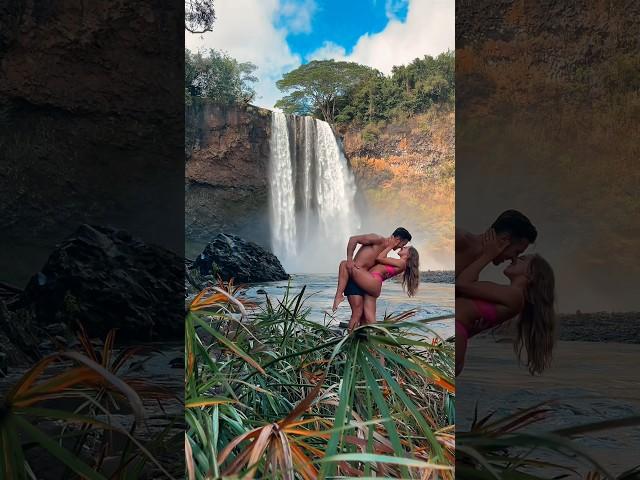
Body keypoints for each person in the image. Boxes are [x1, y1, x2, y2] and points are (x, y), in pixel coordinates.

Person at [455, 230, 556, 376]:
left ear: (531, 274)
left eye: (522, 259)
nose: (513, 259)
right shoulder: (508, 295)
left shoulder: (514, 296)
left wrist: (488, 255)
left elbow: (462, 284)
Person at [332, 228, 413, 330]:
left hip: (362, 281)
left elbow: (381, 270)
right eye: (403, 243)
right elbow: (353, 239)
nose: (402, 247)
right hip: (353, 278)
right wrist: (349, 259)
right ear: (397, 239)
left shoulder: (384, 254)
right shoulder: (377, 239)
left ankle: (361, 341)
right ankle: (339, 295)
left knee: (361, 316)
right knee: (344, 264)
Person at [456, 209, 537, 278]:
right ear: (504, 239)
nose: (514, 259)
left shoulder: (476, 262)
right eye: (516, 252)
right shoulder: (461, 239)